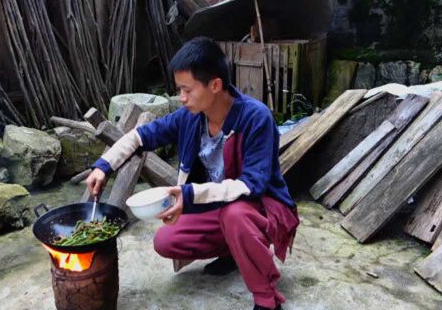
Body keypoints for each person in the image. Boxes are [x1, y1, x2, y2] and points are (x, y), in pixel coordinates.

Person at [86, 37, 299, 310]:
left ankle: (267, 299)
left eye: (187, 90)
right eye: (179, 90)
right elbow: (141, 136)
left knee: (235, 215)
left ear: (215, 85)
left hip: (262, 207)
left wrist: (189, 194)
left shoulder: (256, 118)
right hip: (220, 207)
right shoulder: (190, 116)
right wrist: (104, 165)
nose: (181, 98)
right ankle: (235, 252)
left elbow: (252, 185)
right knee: (167, 241)